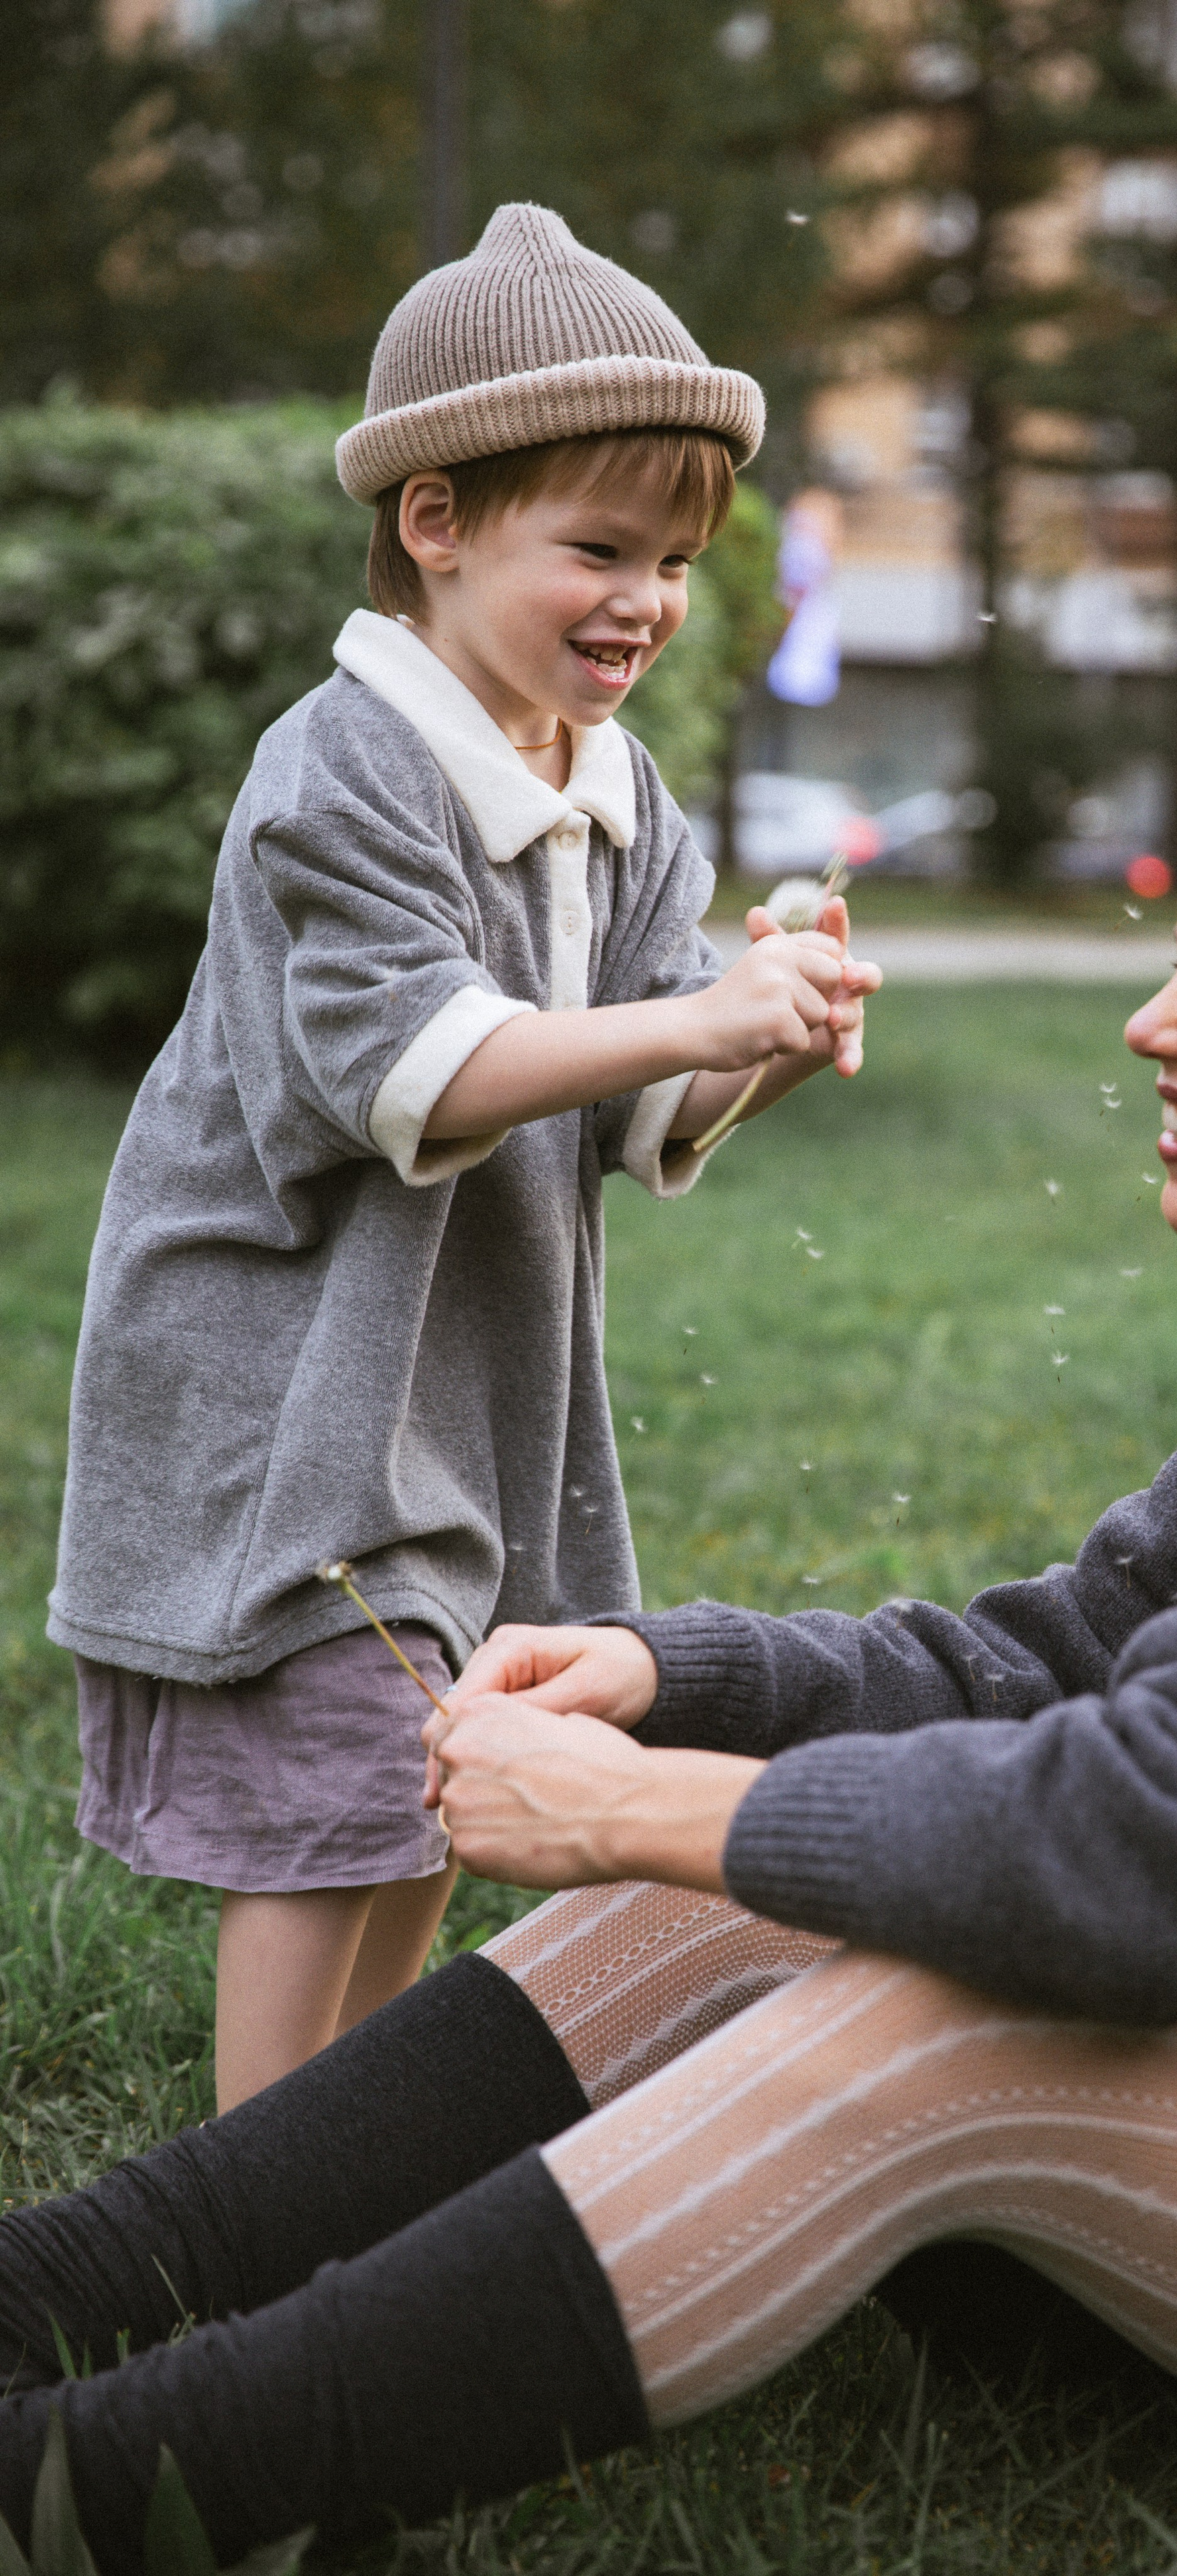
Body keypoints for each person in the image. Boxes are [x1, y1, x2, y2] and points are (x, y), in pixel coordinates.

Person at [10, 669, 1177, 2569]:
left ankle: (97, 2495)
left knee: (936, 2010)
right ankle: (46, 2301)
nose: (1155, 1025)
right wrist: (683, 1680)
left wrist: (635, 1811)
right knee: (718, 1895)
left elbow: (1142, 1851)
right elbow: (1060, 1662)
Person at [46, 202, 879, 2112]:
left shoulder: (619, 793)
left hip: (464, 1389)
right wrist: (693, 1021)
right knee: (337, 1796)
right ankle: (252, 2188)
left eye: (675, 558)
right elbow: (413, 1073)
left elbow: (640, 1109)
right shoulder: (347, 768)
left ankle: (334, 2146)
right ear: (436, 522)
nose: (648, 600)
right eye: (597, 548)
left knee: (437, 1774)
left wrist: (764, 1036)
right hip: (289, 1374)